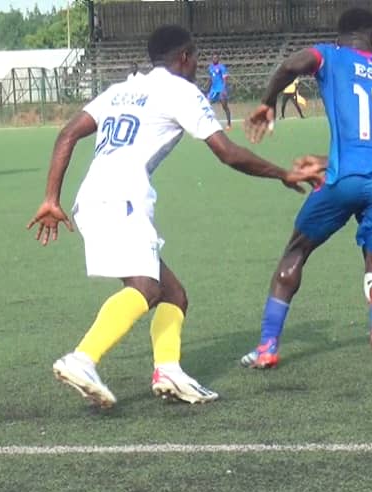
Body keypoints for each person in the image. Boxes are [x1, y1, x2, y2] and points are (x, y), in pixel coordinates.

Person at [27, 25, 320, 408]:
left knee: (174, 295)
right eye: (195, 57)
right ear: (184, 57)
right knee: (147, 288)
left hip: (94, 198)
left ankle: (168, 371)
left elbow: (67, 133)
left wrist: (51, 198)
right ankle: (82, 358)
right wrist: (281, 173)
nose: (197, 64)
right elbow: (227, 153)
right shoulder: (181, 91)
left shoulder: (119, 90)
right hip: (122, 198)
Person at [240, 7, 372, 367]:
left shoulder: (330, 55)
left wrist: (267, 102)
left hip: (346, 179)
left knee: (295, 252)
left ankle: (267, 347)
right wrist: (323, 160)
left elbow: (292, 65)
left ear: (339, 37)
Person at [206, 54, 232, 130]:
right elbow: (211, 78)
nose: (215, 59)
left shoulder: (222, 67)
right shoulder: (210, 67)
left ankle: (229, 123)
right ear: (212, 59)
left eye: (216, 58)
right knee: (207, 105)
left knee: (224, 106)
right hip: (213, 90)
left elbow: (225, 79)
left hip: (221, 89)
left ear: (218, 59)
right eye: (214, 58)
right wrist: (207, 89)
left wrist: (224, 89)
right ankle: (209, 123)